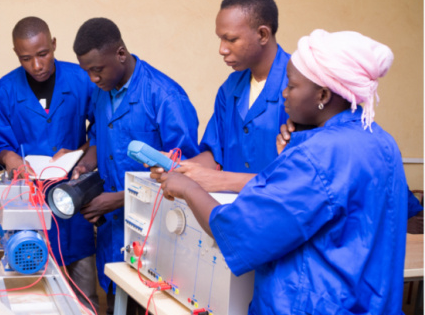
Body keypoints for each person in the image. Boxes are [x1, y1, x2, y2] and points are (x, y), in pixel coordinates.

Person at [158, 29, 407, 314]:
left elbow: (241, 230)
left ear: (323, 94)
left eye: (291, 86)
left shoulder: (317, 155)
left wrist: (188, 188)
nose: (284, 94)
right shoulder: (381, 141)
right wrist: (300, 143)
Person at [72, 17, 200, 312]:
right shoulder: (102, 91)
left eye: (97, 69)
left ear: (120, 53)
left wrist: (117, 201)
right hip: (112, 237)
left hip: (157, 240)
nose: (92, 78)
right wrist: (83, 165)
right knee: (117, 301)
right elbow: (99, 139)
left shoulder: (165, 96)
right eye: (87, 71)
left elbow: (187, 174)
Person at [0, 16, 98, 311]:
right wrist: (10, 158)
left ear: (54, 45)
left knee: (84, 296)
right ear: (16, 55)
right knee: (34, 298)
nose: (36, 65)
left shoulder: (81, 80)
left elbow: (102, 129)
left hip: (74, 204)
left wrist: (80, 150)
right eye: (26, 58)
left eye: (43, 54)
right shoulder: (4, 91)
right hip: (28, 207)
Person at [152, 0, 290, 193]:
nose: (222, 49)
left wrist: (221, 181)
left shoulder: (298, 88)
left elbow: (301, 177)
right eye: (220, 39)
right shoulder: (230, 88)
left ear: (262, 34)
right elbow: (214, 152)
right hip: (233, 214)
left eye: (231, 39)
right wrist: (179, 169)